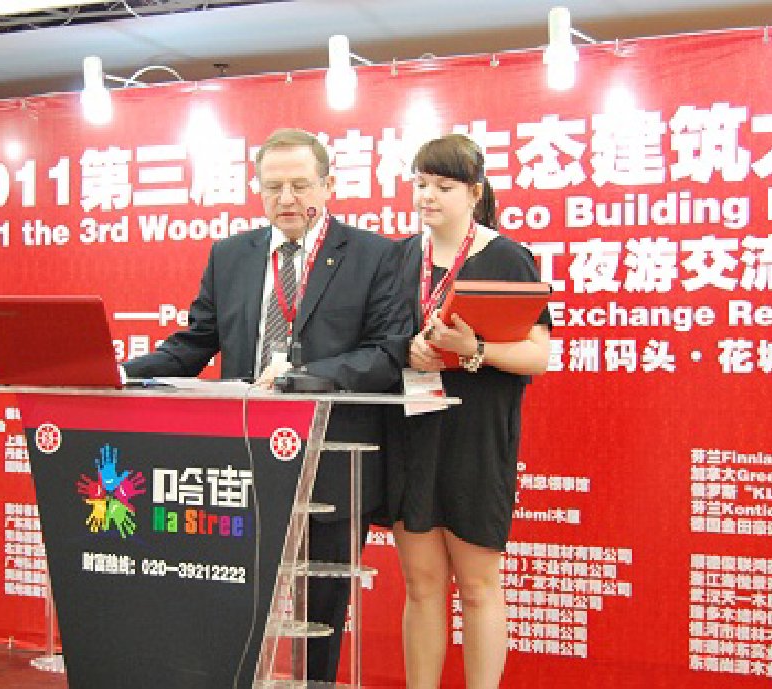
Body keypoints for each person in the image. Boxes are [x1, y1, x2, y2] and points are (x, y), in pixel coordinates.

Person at [124, 127, 409, 682]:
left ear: (328, 185)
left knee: (320, 608)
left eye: (300, 184)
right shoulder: (231, 255)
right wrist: (119, 373)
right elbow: (194, 344)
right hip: (241, 457)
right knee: (234, 598)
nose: (287, 198)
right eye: (273, 186)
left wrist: (302, 380)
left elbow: (386, 353)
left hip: (332, 456)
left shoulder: (375, 255)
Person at [381, 134, 551, 689]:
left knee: (477, 587)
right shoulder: (399, 258)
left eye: (443, 186)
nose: (427, 196)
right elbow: (379, 340)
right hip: (411, 430)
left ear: (475, 193)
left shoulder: (506, 257)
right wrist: (409, 349)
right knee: (422, 585)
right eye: (421, 184)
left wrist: (473, 349)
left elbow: (538, 355)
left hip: (476, 437)